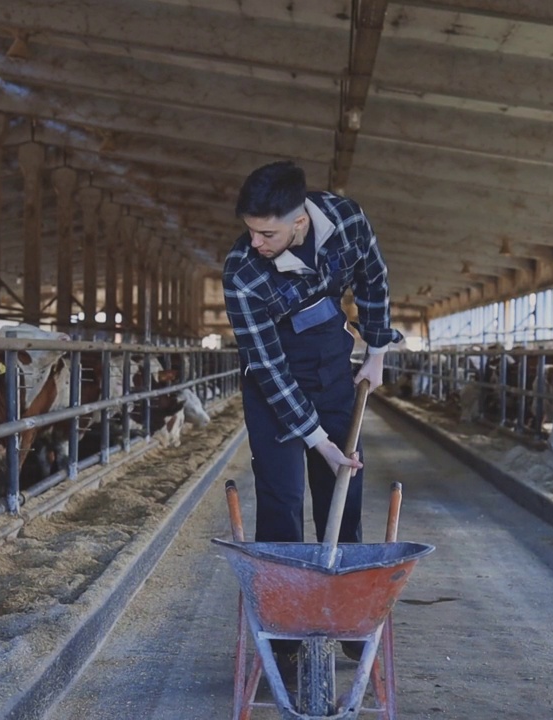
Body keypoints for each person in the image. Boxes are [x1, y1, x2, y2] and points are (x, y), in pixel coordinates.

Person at [222, 160, 403, 672]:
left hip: (330, 360)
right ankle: (283, 639)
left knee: (342, 494)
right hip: (273, 378)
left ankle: (347, 620)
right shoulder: (242, 274)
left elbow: (372, 273)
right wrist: (317, 438)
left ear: (299, 221)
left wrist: (376, 347)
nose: (255, 242)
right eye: (250, 230)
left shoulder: (346, 219)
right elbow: (267, 368)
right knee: (281, 499)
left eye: (267, 232)